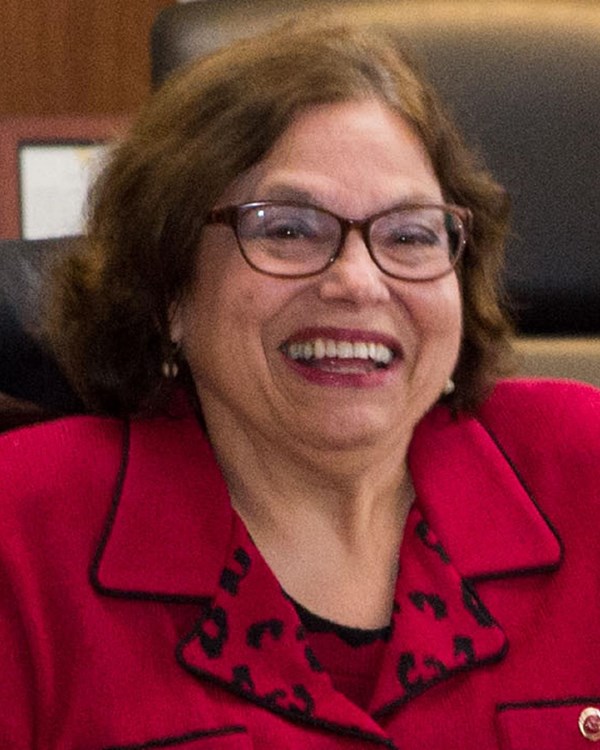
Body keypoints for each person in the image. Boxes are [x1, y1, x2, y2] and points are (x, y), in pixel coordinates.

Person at [1, 16, 599, 750]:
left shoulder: (584, 471)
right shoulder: (22, 537)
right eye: (287, 229)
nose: (357, 282)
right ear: (169, 289)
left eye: (410, 235)